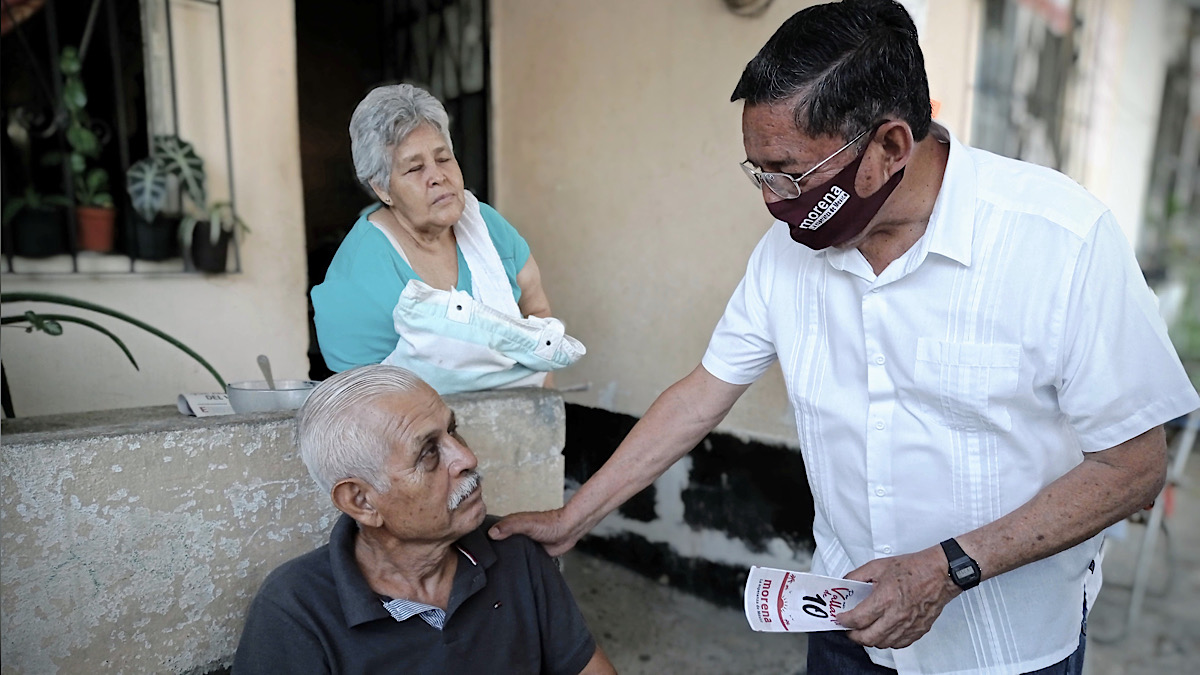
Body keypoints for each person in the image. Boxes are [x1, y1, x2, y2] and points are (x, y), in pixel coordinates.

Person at [490, 1, 1200, 674]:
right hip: (845, 628)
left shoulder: (1060, 240)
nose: (772, 200)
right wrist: (574, 516)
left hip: (1003, 646)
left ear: (890, 145)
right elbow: (702, 395)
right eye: (758, 173)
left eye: (790, 174)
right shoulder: (785, 256)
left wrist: (947, 568)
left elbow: (1132, 467)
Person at [233, 365, 613, 674]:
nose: (467, 458)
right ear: (362, 501)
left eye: (453, 431)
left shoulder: (514, 552)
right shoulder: (295, 610)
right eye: (428, 452)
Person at [311, 84, 583, 394]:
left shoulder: (488, 228)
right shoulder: (357, 278)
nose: (437, 176)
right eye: (415, 168)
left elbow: (538, 314)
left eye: (443, 159)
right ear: (382, 189)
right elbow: (361, 397)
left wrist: (540, 407)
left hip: (516, 412)